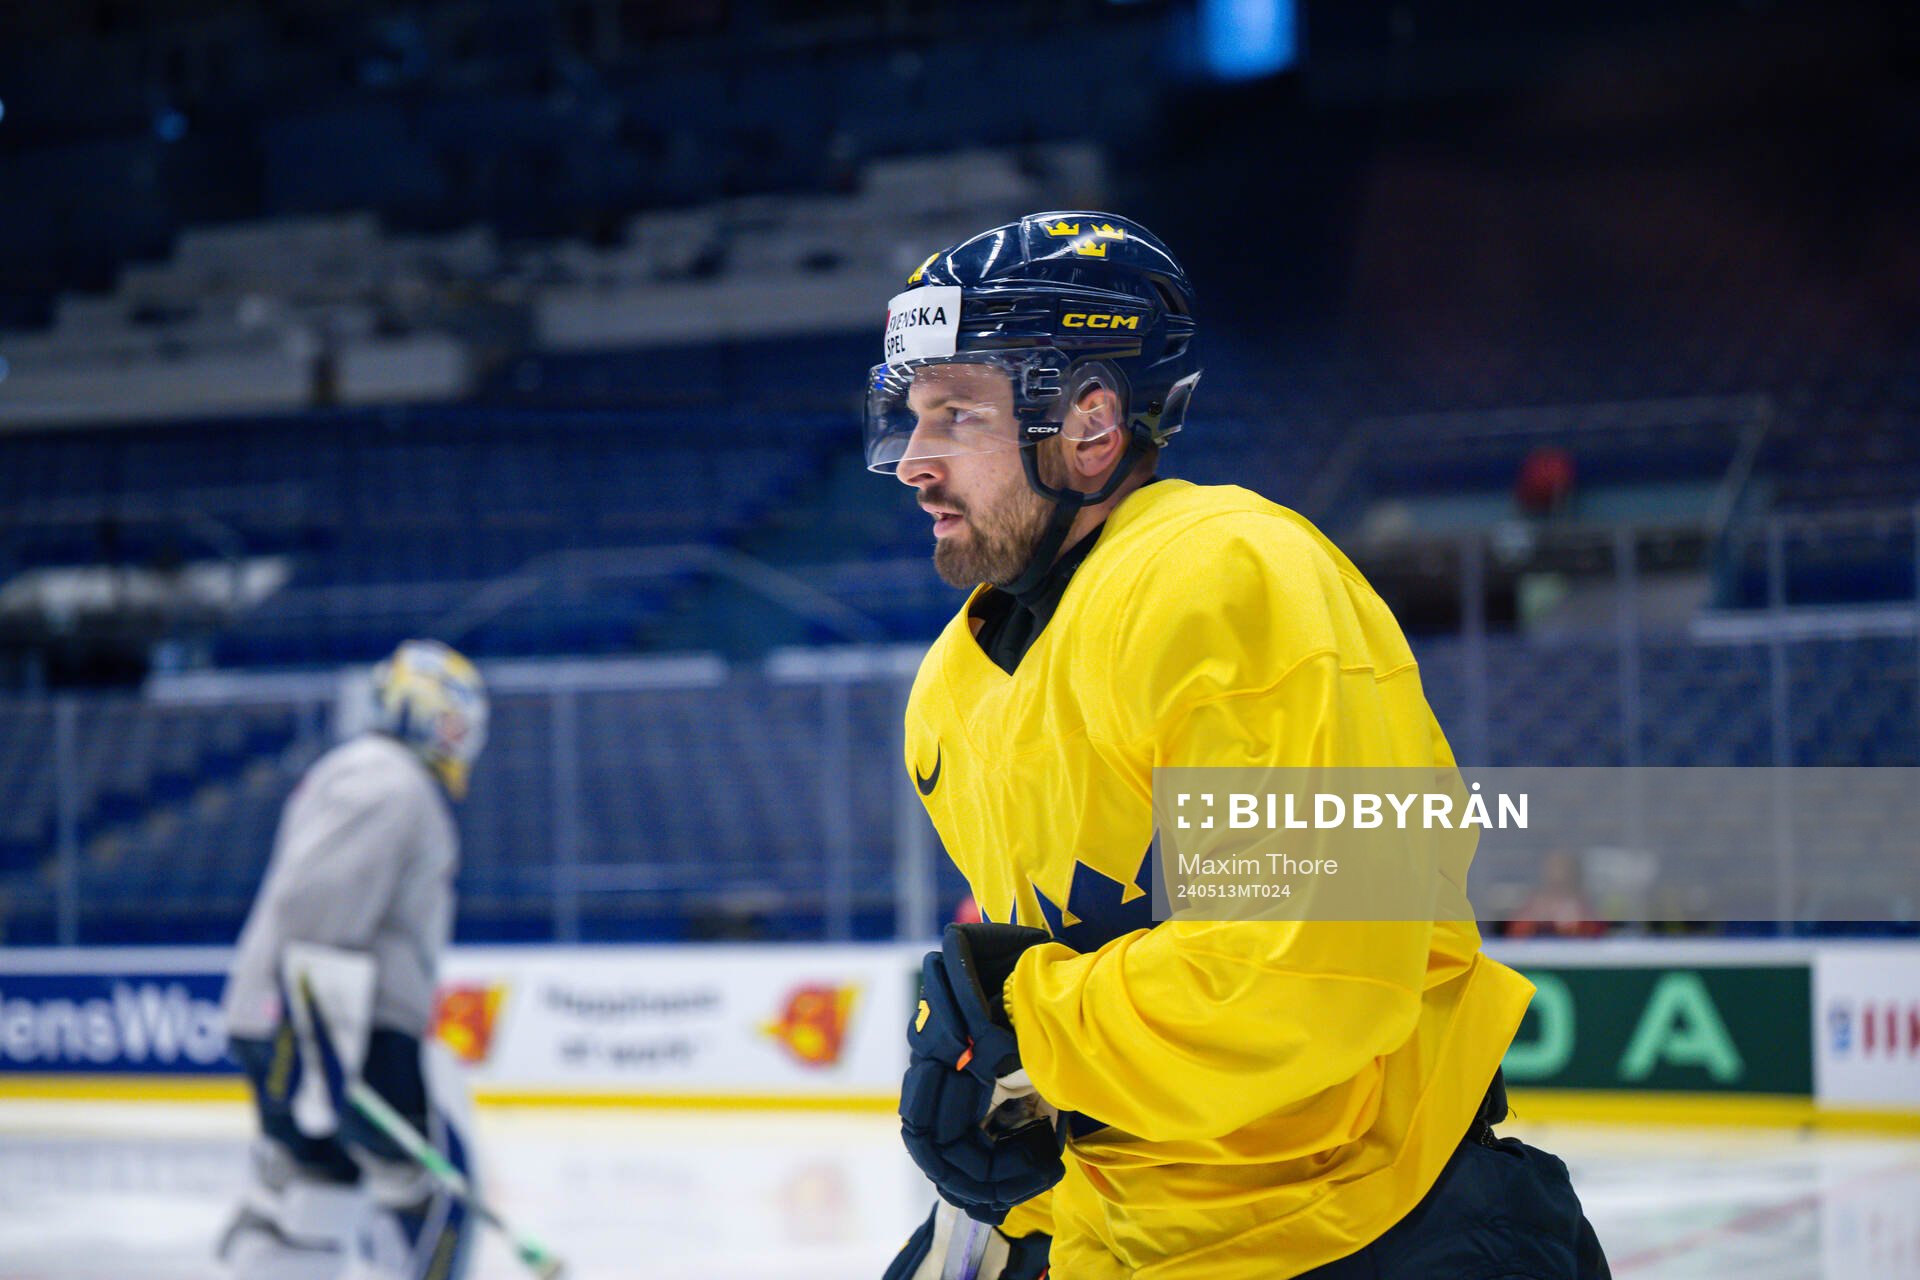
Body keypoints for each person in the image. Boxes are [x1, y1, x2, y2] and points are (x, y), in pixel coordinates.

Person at [867, 213, 1609, 1279]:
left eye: (957, 416)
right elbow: (1095, 981)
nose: (913, 463)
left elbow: (1313, 972)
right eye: (910, 417)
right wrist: (1014, 1164)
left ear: (1088, 423)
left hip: (1370, 1226)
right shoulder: (952, 686)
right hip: (1132, 1237)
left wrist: (1020, 1025)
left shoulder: (1224, 577)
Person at [217, 639, 489, 1280]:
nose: (461, 742)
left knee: (317, 1192)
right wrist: (319, 1058)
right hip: (345, 1034)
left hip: (297, 1024)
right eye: (453, 724)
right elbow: (314, 915)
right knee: (434, 1192)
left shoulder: (365, 772)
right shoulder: (390, 782)